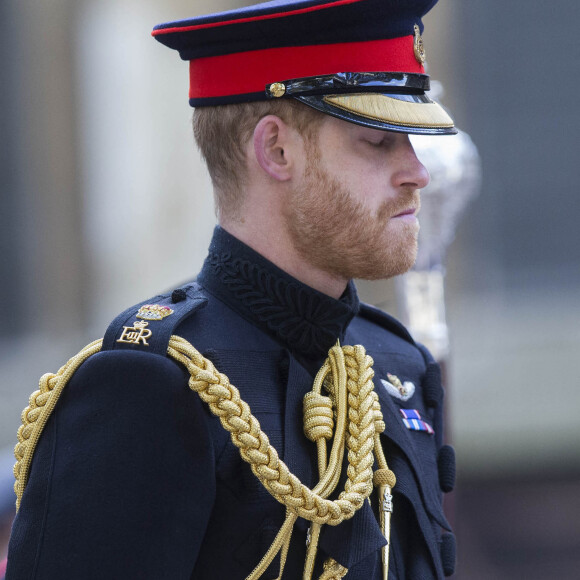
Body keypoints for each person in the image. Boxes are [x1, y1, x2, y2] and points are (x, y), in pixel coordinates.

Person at [6, 0, 458, 578]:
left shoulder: (396, 361)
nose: (417, 172)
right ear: (276, 150)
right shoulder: (150, 380)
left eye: (413, 142)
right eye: (378, 142)